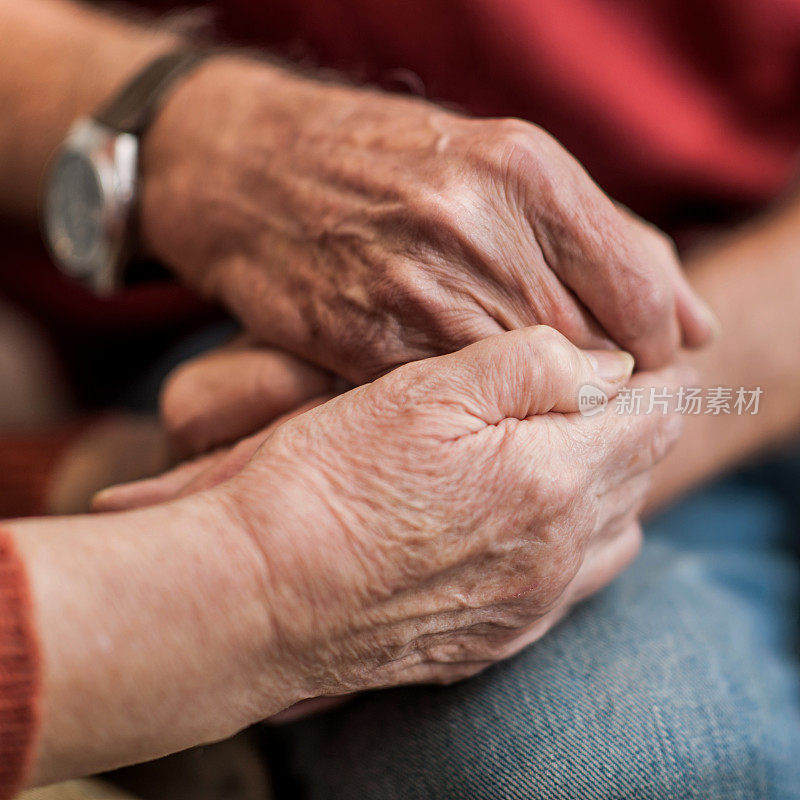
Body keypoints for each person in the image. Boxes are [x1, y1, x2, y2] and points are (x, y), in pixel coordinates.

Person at [0, 0, 712, 796]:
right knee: (601, 767)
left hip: (699, 333)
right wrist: (257, 578)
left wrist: (603, 426)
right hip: (216, 315)